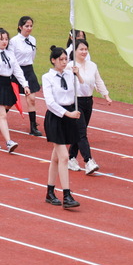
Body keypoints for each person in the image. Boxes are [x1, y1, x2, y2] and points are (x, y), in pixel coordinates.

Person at [41, 46, 80, 209]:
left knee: (56, 158)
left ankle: (50, 192)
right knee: (64, 157)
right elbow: (49, 102)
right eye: (61, 59)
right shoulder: (47, 77)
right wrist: (67, 113)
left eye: (66, 59)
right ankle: (67, 194)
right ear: (53, 60)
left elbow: (81, 91)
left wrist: (79, 75)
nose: (65, 62)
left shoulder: (71, 74)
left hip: (69, 116)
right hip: (56, 118)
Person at [67, 38, 110, 175]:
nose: (84, 52)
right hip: (75, 102)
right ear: (75, 50)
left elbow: (98, 80)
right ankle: (88, 161)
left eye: (86, 49)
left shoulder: (92, 65)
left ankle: (71, 158)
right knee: (81, 133)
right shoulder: (70, 66)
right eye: (81, 49)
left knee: (80, 131)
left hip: (88, 102)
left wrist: (106, 95)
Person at [9, 15, 41, 136]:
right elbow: (12, 58)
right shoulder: (13, 41)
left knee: (31, 99)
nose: (29, 28)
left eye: (31, 26)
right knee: (11, 100)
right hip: (17, 71)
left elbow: (32, 56)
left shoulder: (33, 40)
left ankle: (33, 126)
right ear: (20, 27)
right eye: (26, 26)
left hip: (29, 70)